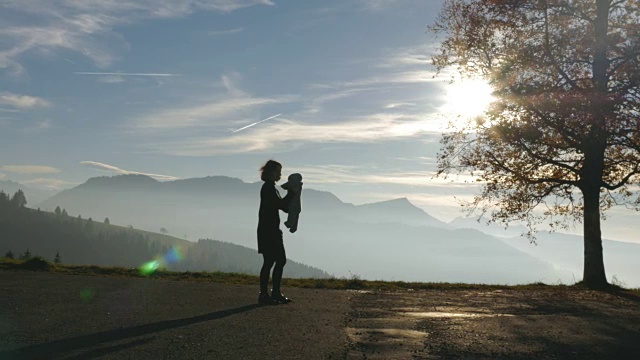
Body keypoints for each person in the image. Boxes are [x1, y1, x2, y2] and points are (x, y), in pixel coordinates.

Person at [257, 160, 297, 305]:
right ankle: (270, 293)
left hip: (267, 230)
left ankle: (269, 294)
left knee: (270, 261)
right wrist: (292, 194)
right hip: (270, 231)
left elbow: (282, 206)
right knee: (277, 260)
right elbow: (281, 205)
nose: (280, 175)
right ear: (271, 172)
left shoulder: (270, 188)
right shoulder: (268, 188)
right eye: (278, 172)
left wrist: (290, 196)